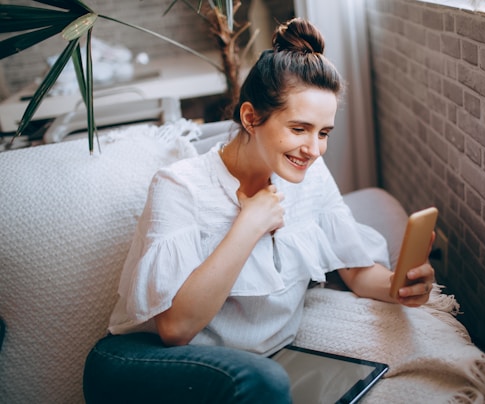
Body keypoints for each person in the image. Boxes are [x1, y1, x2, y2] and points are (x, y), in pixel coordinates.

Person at [83, 17, 435, 403]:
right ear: (251, 118)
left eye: (323, 133)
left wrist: (397, 287)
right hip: (144, 362)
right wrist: (248, 224)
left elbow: (353, 268)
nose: (314, 149)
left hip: (251, 370)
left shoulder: (308, 174)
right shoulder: (180, 186)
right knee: (263, 381)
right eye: (299, 129)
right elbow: (176, 328)